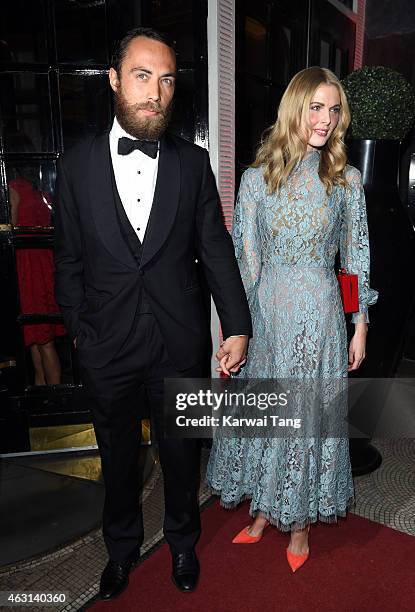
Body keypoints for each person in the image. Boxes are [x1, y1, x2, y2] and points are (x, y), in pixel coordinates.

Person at [54, 27, 251, 599]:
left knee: (182, 454)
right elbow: (67, 265)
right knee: (117, 458)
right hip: (106, 344)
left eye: (166, 80)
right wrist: (81, 333)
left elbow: (216, 249)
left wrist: (236, 324)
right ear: (115, 81)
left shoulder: (193, 165)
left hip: (178, 340)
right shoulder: (75, 168)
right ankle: (120, 550)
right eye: (142, 76)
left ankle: (183, 543)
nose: (155, 93)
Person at [207, 67, 378, 572]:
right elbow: (246, 262)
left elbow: (354, 258)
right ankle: (264, 508)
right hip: (269, 319)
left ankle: (298, 521)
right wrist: (236, 331)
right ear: (295, 108)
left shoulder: (345, 180)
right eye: (316, 107)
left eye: (334, 109)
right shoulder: (255, 179)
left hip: (322, 317)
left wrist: (360, 322)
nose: (326, 119)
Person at [9, 174, 65, 385]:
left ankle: (55, 396)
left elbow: (11, 226)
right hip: (44, 262)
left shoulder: (14, 187)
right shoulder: (41, 192)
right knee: (37, 338)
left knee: (42, 339)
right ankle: (43, 392)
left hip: (28, 266)